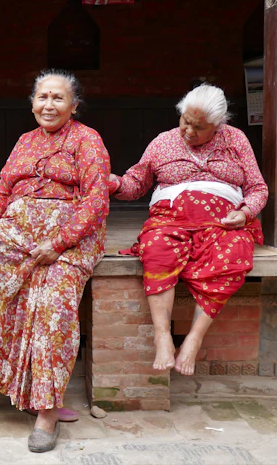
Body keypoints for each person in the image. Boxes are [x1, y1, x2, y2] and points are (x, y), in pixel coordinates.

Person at [0, 69, 110, 453]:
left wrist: (60, 243)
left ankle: (47, 413)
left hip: (69, 239)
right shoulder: (24, 141)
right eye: (42, 97)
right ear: (32, 103)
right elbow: (3, 189)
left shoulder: (88, 141)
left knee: (52, 305)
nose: (48, 105)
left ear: (74, 106)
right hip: (18, 229)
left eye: (58, 98)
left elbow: (97, 202)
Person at [109, 84, 267, 376]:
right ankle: (162, 335)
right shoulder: (162, 142)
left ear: (219, 125)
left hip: (221, 222)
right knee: (156, 246)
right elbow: (136, 184)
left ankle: (194, 339)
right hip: (170, 218)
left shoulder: (236, 140)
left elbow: (257, 188)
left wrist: (244, 213)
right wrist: (114, 183)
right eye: (185, 121)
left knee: (234, 253)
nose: (189, 131)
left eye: (200, 127)